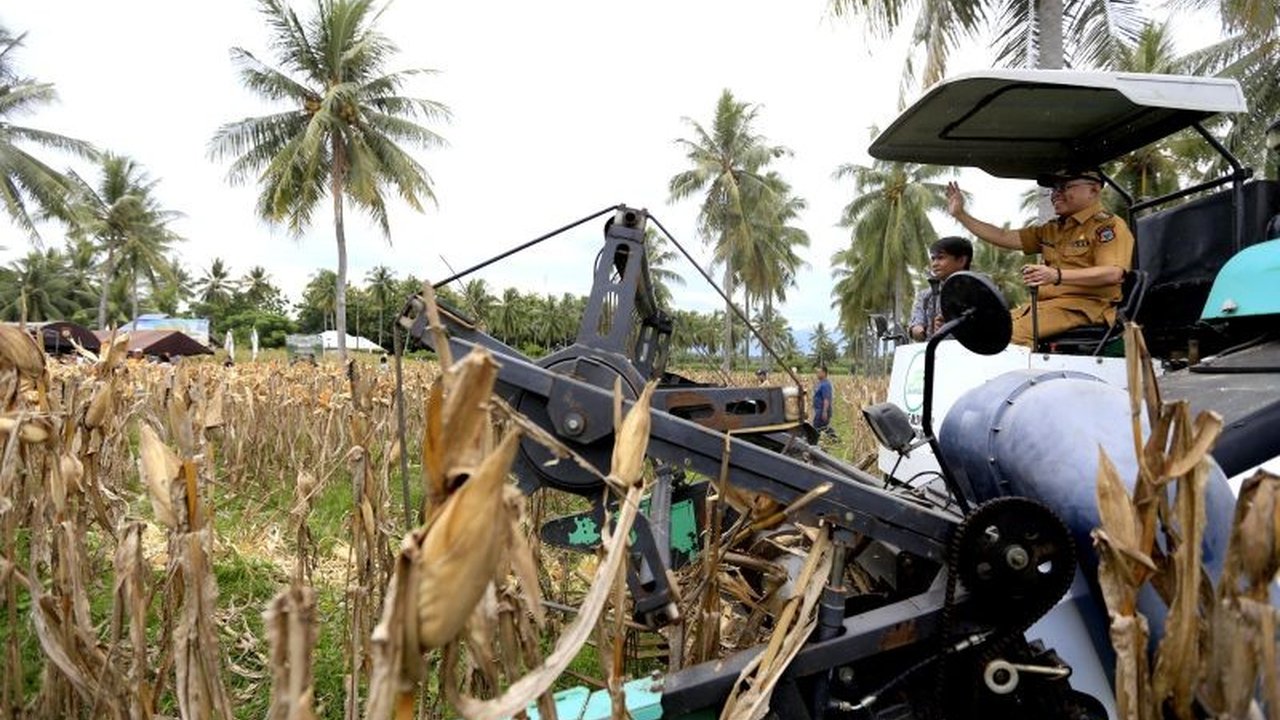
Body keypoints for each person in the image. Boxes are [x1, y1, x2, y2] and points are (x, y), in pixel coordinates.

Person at [945, 169, 1135, 346]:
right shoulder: (1052, 229)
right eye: (1054, 189)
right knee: (975, 327)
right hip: (1044, 307)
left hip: (1085, 308)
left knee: (1005, 336)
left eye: (1064, 187)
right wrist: (961, 215)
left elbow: (1113, 273)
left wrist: (1056, 276)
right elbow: (1003, 236)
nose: (1055, 194)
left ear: (1093, 190)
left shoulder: (1108, 227)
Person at [909, 236, 974, 341]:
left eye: (941, 258)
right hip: (936, 354)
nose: (934, 264)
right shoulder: (926, 296)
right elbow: (915, 329)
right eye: (933, 259)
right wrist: (923, 330)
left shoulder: (981, 291)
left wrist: (955, 325)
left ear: (961, 260)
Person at [812, 365, 833, 436]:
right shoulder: (820, 383)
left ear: (824, 373)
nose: (817, 374)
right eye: (816, 372)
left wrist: (824, 412)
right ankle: (834, 439)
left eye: (818, 372)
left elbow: (826, 399)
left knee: (816, 428)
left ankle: (814, 443)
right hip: (818, 410)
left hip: (822, 410)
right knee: (823, 427)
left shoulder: (825, 385)